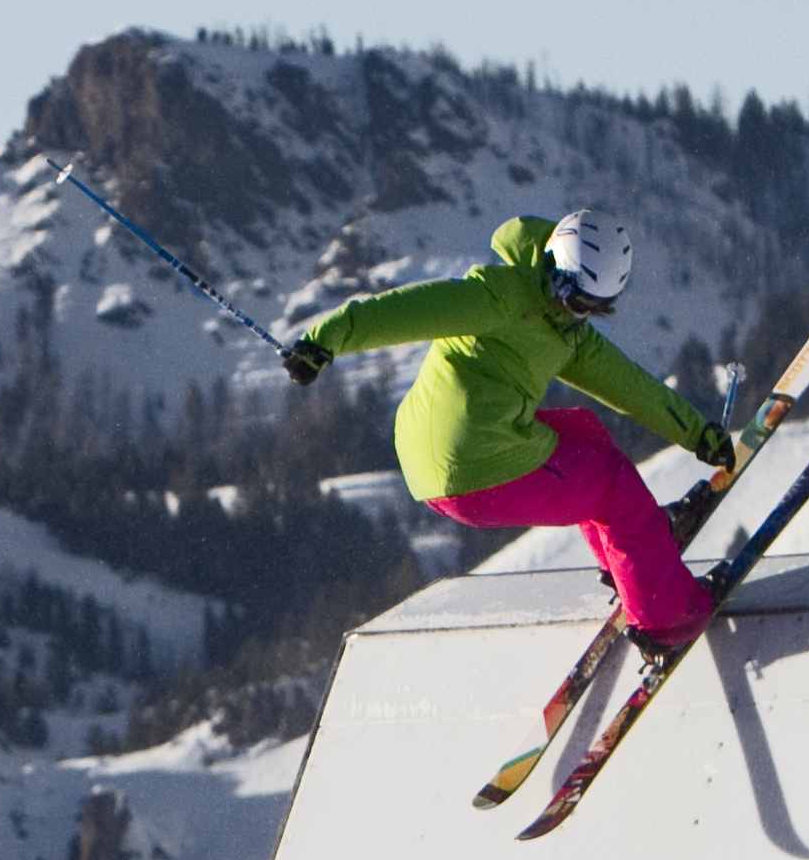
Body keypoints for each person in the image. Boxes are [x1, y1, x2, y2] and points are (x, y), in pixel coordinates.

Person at [278, 207, 731, 651]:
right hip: (473, 466)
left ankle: (633, 560)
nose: (577, 312)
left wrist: (696, 433)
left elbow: (628, 384)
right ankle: (665, 619)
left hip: (439, 453)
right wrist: (325, 338)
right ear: (555, 267)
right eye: (574, 299)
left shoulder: (564, 328)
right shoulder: (500, 296)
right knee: (615, 490)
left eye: (594, 308)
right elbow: (409, 310)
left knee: (584, 435)